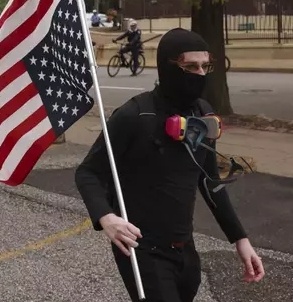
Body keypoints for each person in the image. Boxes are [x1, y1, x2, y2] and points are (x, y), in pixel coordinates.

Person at [75, 28, 264, 302]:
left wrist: (240, 240)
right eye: (190, 66)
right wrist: (107, 218)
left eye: (205, 66)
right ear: (168, 66)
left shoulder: (203, 115)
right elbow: (88, 172)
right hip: (143, 251)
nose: (200, 74)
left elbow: (210, 182)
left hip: (185, 250)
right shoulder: (134, 115)